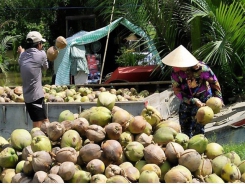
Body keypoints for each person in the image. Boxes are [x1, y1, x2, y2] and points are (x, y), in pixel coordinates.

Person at [161, 45, 223, 138]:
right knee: (184, 127)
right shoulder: (175, 73)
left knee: (198, 126)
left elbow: (214, 82)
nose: (173, 66)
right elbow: (177, 90)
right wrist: (192, 100)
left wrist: (218, 99)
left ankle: (198, 146)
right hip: (186, 99)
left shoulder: (202, 69)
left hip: (203, 100)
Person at [18, 31, 49, 128]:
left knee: (45, 120)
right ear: (39, 44)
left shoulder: (22, 56)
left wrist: (21, 52)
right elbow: (46, 67)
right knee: (37, 124)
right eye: (41, 43)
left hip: (27, 96)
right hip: (36, 96)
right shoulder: (41, 54)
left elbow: (22, 57)